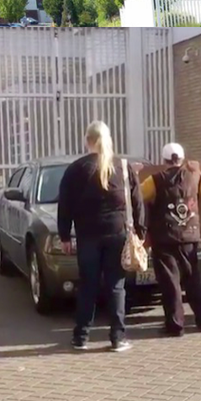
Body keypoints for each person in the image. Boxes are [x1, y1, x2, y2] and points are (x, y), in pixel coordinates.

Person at [58, 121, 144, 352]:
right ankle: (117, 338)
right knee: (116, 286)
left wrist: (64, 235)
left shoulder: (75, 169)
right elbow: (137, 202)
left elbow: (64, 205)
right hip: (117, 234)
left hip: (87, 236)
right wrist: (141, 232)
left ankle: (81, 337)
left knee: (88, 285)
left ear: (87, 141)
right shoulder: (123, 167)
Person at [140, 142, 201, 336]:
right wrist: (199, 171)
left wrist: (134, 174)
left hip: (164, 238)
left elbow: (138, 196)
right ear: (182, 159)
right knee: (193, 279)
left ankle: (175, 325)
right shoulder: (194, 176)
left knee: (170, 283)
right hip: (190, 236)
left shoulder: (154, 180)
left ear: (163, 161)